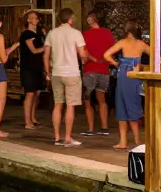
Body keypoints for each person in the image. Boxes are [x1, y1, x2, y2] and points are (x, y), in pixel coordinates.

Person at [44, 8, 92, 147]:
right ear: (70, 18)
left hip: (56, 73)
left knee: (58, 104)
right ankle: (67, 138)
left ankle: (57, 137)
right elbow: (82, 54)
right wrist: (83, 58)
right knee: (70, 106)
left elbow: (46, 55)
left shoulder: (52, 34)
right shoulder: (76, 33)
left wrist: (47, 72)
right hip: (71, 73)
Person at [103, 22, 151, 151]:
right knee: (133, 106)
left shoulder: (122, 42)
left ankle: (123, 142)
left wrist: (117, 64)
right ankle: (138, 141)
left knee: (122, 107)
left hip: (123, 74)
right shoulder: (141, 44)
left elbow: (106, 55)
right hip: (134, 75)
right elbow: (155, 55)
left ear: (127, 30)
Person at [80, 11, 115, 138]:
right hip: (104, 70)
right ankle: (104, 127)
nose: (88, 19)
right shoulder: (108, 33)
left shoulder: (85, 34)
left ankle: (90, 129)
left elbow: (83, 52)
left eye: (89, 17)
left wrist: (91, 58)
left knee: (88, 100)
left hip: (90, 70)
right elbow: (112, 51)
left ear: (93, 19)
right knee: (102, 99)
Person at [18, 11, 47, 130]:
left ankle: (33, 117)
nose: (36, 20)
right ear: (28, 20)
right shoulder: (26, 34)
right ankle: (27, 121)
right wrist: (46, 47)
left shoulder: (40, 33)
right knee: (29, 94)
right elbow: (34, 50)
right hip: (28, 68)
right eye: (33, 18)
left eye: (37, 18)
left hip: (38, 67)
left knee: (36, 94)